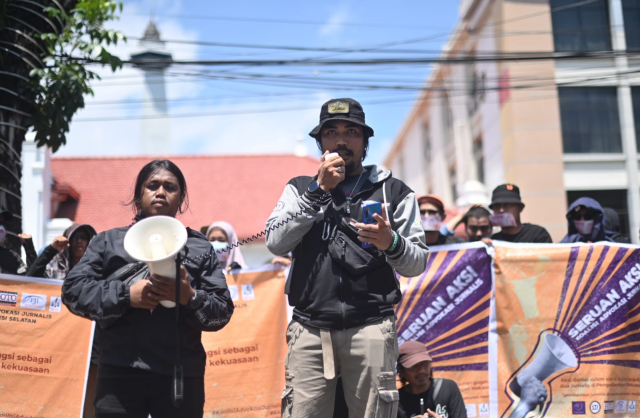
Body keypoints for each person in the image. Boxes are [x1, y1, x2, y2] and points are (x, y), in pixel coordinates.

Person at [266, 98, 428, 418]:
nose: (341, 140)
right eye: (331, 132)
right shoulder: (300, 188)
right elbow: (274, 241)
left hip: (371, 327)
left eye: (351, 131)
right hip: (310, 330)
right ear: (320, 142)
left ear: (366, 141)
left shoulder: (393, 191)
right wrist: (317, 191)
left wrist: (390, 242)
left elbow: (417, 262)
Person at [62, 159, 234, 418]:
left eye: (170, 187)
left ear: (181, 198)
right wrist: (126, 296)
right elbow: (73, 291)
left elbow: (221, 312)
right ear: (138, 195)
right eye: (152, 185)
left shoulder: (200, 248)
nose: (161, 192)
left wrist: (190, 297)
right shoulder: (108, 242)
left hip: (181, 375)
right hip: (119, 373)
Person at [397, 341, 467, 418]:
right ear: (401, 371)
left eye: (425, 363)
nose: (422, 370)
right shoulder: (397, 401)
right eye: (414, 366)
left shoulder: (448, 388)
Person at [28, 223, 97, 279]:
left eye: (84, 237)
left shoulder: (96, 268)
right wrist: (51, 249)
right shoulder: (55, 266)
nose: (79, 241)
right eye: (74, 238)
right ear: (67, 242)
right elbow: (32, 277)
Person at [0, 208, 37, 275]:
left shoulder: (11, 257)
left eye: (2, 223)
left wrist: (29, 248)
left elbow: (32, 279)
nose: (1, 227)